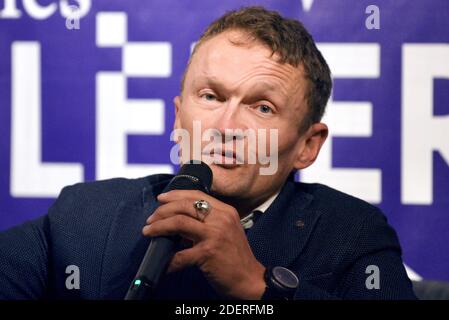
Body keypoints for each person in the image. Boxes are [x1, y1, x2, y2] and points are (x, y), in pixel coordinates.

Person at [0, 6, 416, 300]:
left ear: (307, 146)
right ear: (179, 117)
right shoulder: (84, 214)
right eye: (211, 96)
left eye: (262, 107)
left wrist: (258, 285)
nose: (226, 127)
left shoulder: (352, 234)